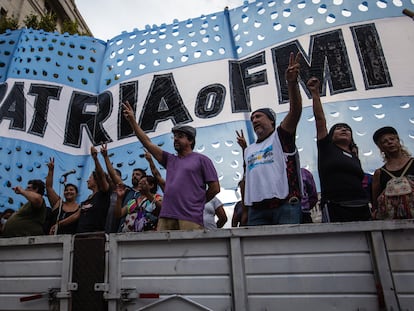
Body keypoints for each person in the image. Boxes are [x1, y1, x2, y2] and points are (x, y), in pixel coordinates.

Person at [123, 102, 220, 230]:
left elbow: (215, 188)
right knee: (164, 249)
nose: (175, 139)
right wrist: (132, 121)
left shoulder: (202, 160)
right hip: (166, 216)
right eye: (174, 136)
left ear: (190, 141)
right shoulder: (170, 159)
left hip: (190, 217)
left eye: (180, 136)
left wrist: (198, 203)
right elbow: (147, 142)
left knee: (189, 249)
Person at [236, 52, 303, 226]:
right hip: (257, 211)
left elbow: (295, 112)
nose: (254, 120)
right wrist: (245, 209)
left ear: (271, 120)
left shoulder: (281, 136)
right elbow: (247, 179)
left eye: (258, 116)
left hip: (285, 205)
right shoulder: (249, 150)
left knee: (288, 250)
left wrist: (292, 83)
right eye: (252, 119)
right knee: (258, 253)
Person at [307, 77, 371, 222]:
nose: (344, 129)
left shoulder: (354, 156)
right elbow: (320, 121)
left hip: (361, 206)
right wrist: (315, 93)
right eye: (339, 128)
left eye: (347, 129)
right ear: (331, 136)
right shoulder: (326, 148)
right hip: (336, 206)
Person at [371, 126, 414, 219]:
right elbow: (376, 203)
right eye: (384, 142)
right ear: (381, 148)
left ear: (398, 141)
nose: (389, 142)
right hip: (392, 225)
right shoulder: (379, 173)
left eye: (392, 139)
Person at [75, 146, 111, 233]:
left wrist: (95, 159)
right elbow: (76, 215)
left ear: (96, 180)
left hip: (95, 235)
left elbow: (101, 176)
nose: (87, 180)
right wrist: (59, 224)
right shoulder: (87, 199)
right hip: (80, 235)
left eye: (90, 178)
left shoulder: (103, 193)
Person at [45, 157, 80, 235]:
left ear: (76, 194)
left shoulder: (80, 207)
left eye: (71, 190)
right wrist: (51, 170)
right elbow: (48, 187)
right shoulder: (58, 203)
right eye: (66, 190)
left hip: (71, 241)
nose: (68, 192)